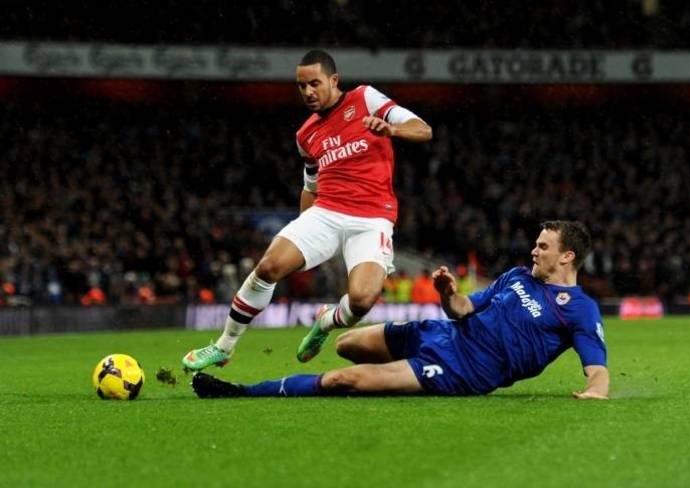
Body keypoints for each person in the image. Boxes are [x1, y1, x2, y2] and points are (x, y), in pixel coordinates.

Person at [182, 49, 432, 371]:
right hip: (325, 213)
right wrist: (304, 234)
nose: (308, 92)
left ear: (334, 80)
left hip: (372, 220)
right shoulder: (306, 135)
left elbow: (423, 129)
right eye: (301, 86)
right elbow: (311, 186)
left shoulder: (365, 99)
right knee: (269, 265)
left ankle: (325, 322)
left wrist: (392, 130)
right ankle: (223, 346)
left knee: (362, 300)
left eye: (315, 83)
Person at [190, 221, 609, 399]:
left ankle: (245, 391)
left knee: (342, 379)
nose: (533, 249)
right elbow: (462, 309)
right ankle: (355, 341)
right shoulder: (517, 276)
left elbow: (598, 371)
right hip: (444, 334)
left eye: (543, 246)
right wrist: (447, 293)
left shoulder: (580, 311)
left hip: (468, 369)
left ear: (568, 256)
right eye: (535, 243)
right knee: (347, 345)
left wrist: (594, 393)